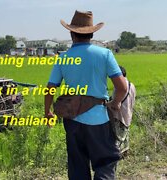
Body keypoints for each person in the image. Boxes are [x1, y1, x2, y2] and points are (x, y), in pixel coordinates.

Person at [44, 11, 127, 180]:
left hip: (72, 121)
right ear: (92, 33)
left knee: (77, 167)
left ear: (71, 33)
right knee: (105, 163)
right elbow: (122, 87)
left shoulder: (63, 58)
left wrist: (47, 112)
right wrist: (115, 102)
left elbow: (50, 88)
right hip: (99, 121)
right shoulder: (105, 54)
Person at [109, 66, 136, 154]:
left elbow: (115, 105)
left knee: (117, 140)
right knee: (125, 137)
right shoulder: (132, 85)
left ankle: (115, 157)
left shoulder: (119, 87)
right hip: (128, 115)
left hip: (119, 116)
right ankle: (125, 154)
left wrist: (105, 104)